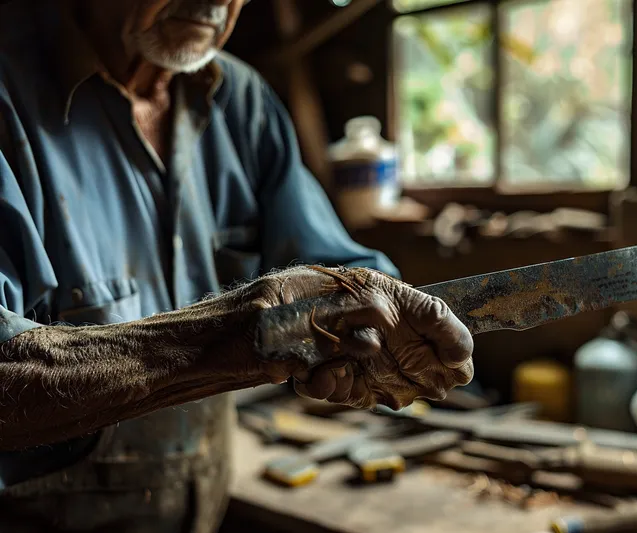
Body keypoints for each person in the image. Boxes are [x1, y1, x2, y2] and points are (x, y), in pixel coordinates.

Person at [0, 0, 475, 531]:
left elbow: (336, 267)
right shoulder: (10, 93)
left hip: (202, 506)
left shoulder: (241, 100)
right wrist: (240, 333)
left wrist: (380, 324)